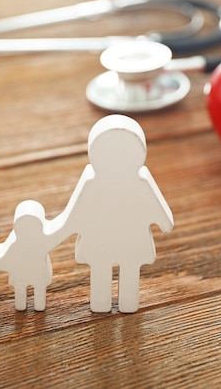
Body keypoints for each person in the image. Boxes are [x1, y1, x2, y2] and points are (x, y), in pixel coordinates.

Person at [55, 114, 174, 313]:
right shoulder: (95, 183)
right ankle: (107, 303)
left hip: (113, 241)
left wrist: (62, 229)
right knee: (108, 268)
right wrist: (163, 223)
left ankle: (121, 303)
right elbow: (76, 214)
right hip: (118, 241)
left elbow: (74, 216)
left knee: (122, 269)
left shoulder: (137, 182)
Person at [1, 200, 66, 311]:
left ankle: (34, 305)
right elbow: (7, 255)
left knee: (36, 292)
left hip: (33, 274)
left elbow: (6, 255)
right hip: (25, 274)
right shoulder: (17, 243)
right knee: (23, 292)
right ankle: (26, 305)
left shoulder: (38, 241)